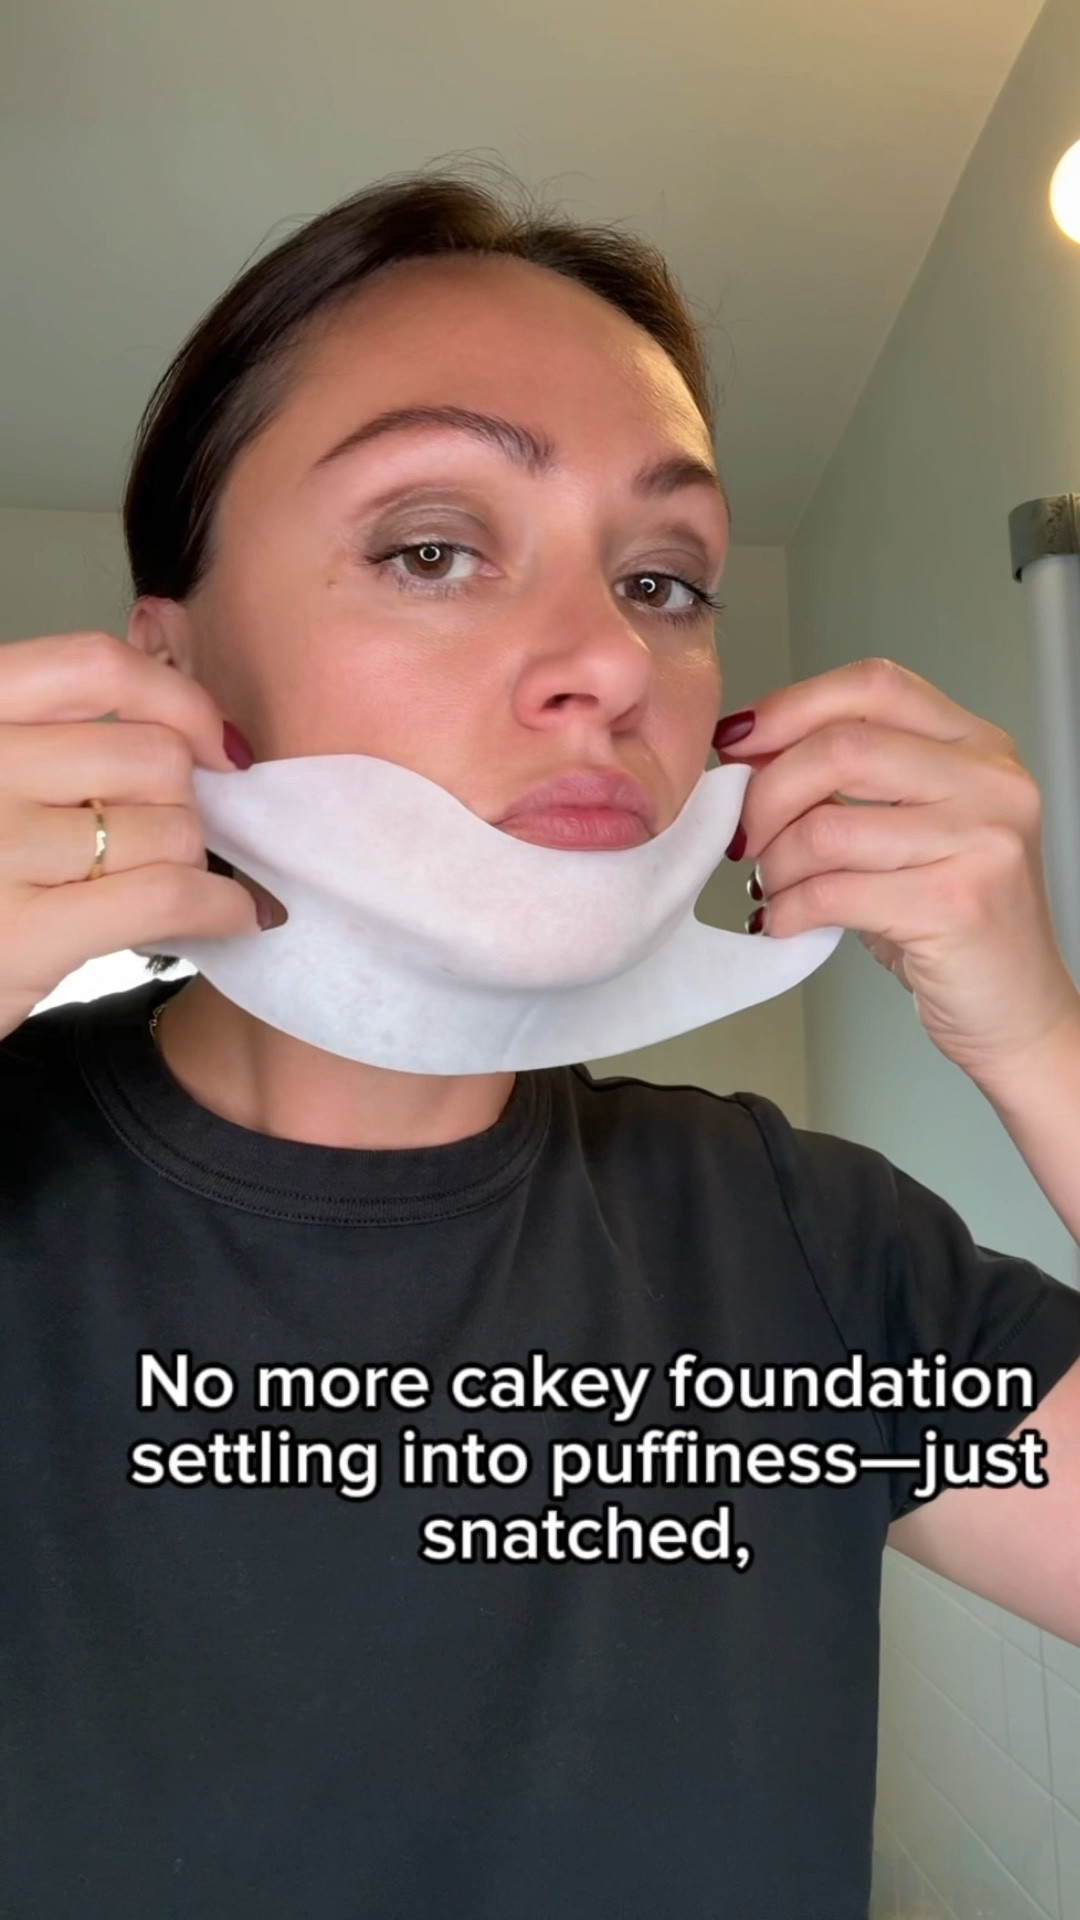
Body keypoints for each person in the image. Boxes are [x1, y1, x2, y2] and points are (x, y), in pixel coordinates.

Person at [2, 162, 1079, 1920]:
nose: (609, 661)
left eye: (663, 579)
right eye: (432, 549)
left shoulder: (799, 1245)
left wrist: (1040, 1032)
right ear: (170, 671)